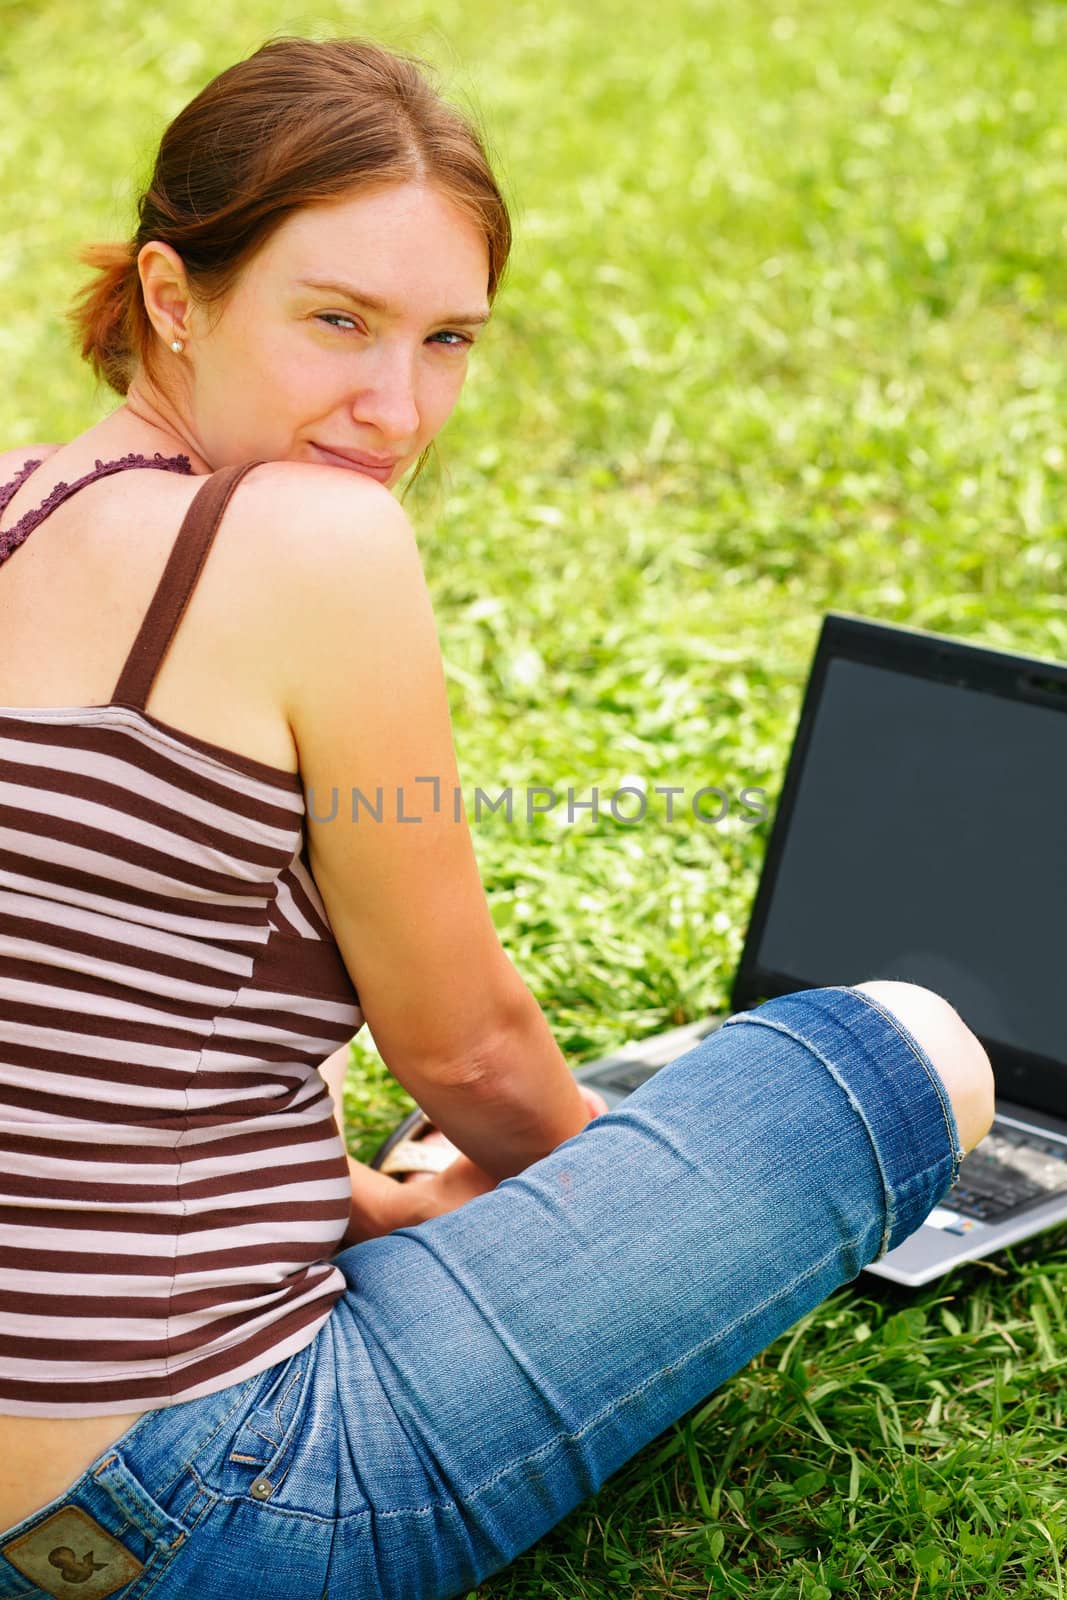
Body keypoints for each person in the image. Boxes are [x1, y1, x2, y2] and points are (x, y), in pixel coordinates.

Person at [0, 33, 994, 1600]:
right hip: (181, 1516)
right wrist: (620, 1199)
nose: (397, 409)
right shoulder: (313, 542)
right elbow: (459, 1053)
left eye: (449, 338)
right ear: (174, 297)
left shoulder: (11, 501)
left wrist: (375, 1203)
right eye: (338, 322)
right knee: (903, 1052)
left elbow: (57, 1042)